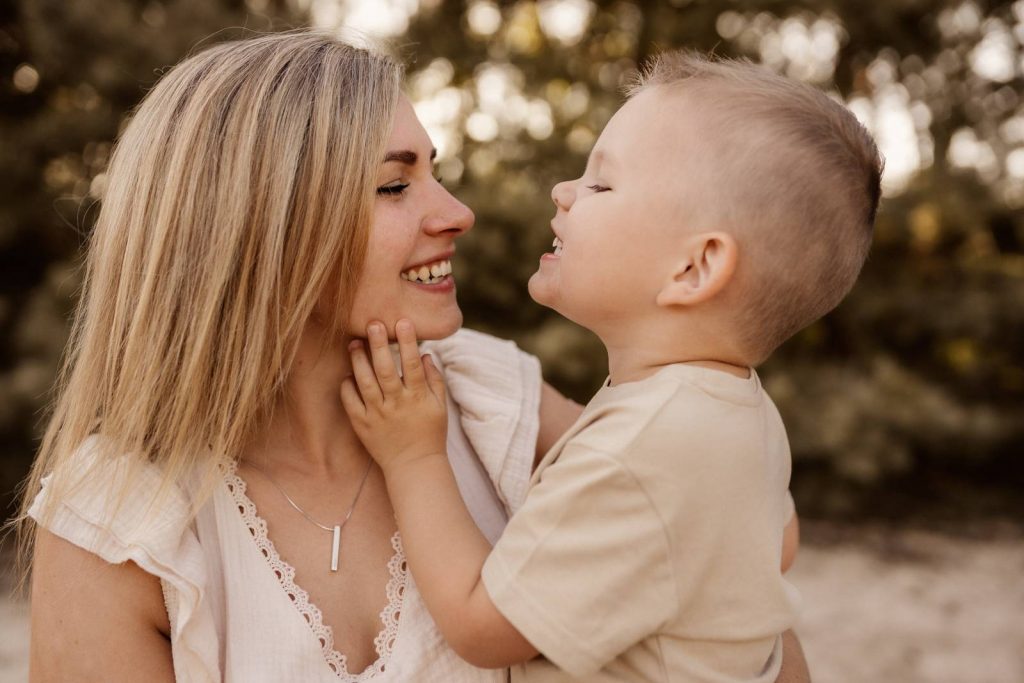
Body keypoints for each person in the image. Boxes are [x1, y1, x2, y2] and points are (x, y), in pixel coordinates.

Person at [14, 33, 810, 682]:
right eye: (395, 187)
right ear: (259, 231)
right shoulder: (115, 524)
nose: (456, 213)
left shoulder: (491, 398)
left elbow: (732, 567)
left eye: (437, 173)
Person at [340, 50, 881, 681]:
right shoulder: (741, 416)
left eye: (600, 184)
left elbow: (482, 629)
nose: (563, 191)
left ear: (694, 268)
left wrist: (415, 456)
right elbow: (777, 546)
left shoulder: (637, 452)